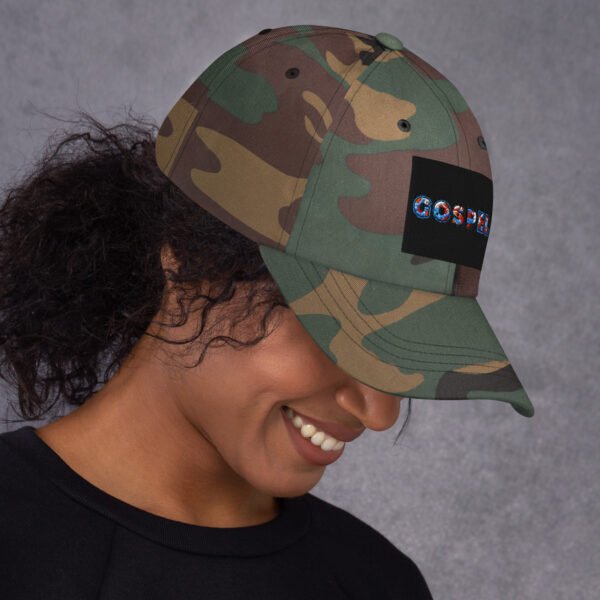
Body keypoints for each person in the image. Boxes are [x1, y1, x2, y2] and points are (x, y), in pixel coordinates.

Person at [0, 24, 534, 599]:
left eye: (408, 350)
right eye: (338, 331)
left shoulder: (379, 583)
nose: (379, 412)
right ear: (185, 259)